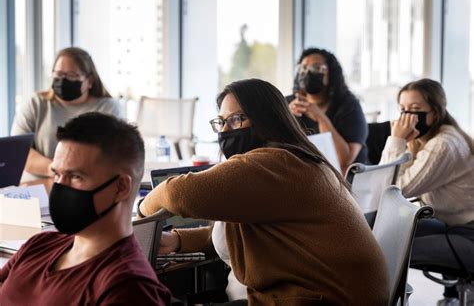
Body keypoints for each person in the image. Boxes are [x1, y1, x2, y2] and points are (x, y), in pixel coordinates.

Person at [138, 79, 389, 305]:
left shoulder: (277, 164)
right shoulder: (294, 160)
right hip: (322, 294)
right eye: (221, 122)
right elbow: (233, 232)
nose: (226, 130)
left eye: (237, 119)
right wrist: (179, 241)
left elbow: (177, 194)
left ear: (266, 119)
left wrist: (141, 209)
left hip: (321, 299)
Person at [0, 113, 171, 305]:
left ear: (121, 187)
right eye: (57, 175)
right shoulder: (38, 245)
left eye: (75, 177)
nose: (59, 187)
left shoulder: (129, 287)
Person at [379, 78, 474, 304]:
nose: (407, 117)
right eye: (403, 109)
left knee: (387, 247)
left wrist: (397, 139)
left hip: (468, 234)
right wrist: (406, 143)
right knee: (383, 229)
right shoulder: (427, 140)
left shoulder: (443, 144)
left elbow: (393, 190)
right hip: (453, 225)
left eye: (416, 109)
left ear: (435, 112)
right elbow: (389, 182)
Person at [11, 47, 122, 179]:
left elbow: (112, 153)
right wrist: (54, 170)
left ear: (90, 81)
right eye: (58, 74)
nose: (63, 80)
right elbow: (18, 151)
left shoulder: (108, 108)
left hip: (88, 182)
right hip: (38, 182)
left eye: (71, 75)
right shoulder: (36, 103)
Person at [287, 47, 368, 172]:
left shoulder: (348, 106)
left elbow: (344, 161)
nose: (307, 72)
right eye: (303, 68)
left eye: (316, 67)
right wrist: (285, 117)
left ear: (331, 73)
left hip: (345, 180)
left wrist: (321, 118)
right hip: (305, 174)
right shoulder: (288, 104)